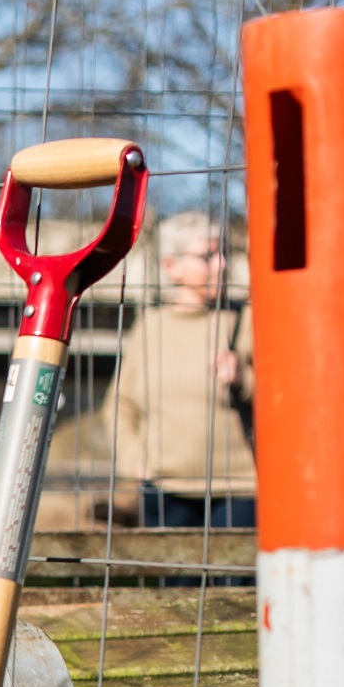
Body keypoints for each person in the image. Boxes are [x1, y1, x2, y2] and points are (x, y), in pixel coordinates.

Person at [110, 211, 256, 529]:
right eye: (208, 256)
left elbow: (283, 398)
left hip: (239, 491)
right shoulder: (150, 328)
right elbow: (119, 405)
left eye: (224, 254)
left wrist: (243, 380)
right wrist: (134, 461)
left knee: (234, 579)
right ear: (171, 266)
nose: (222, 265)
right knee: (175, 579)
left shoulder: (245, 321)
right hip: (165, 491)